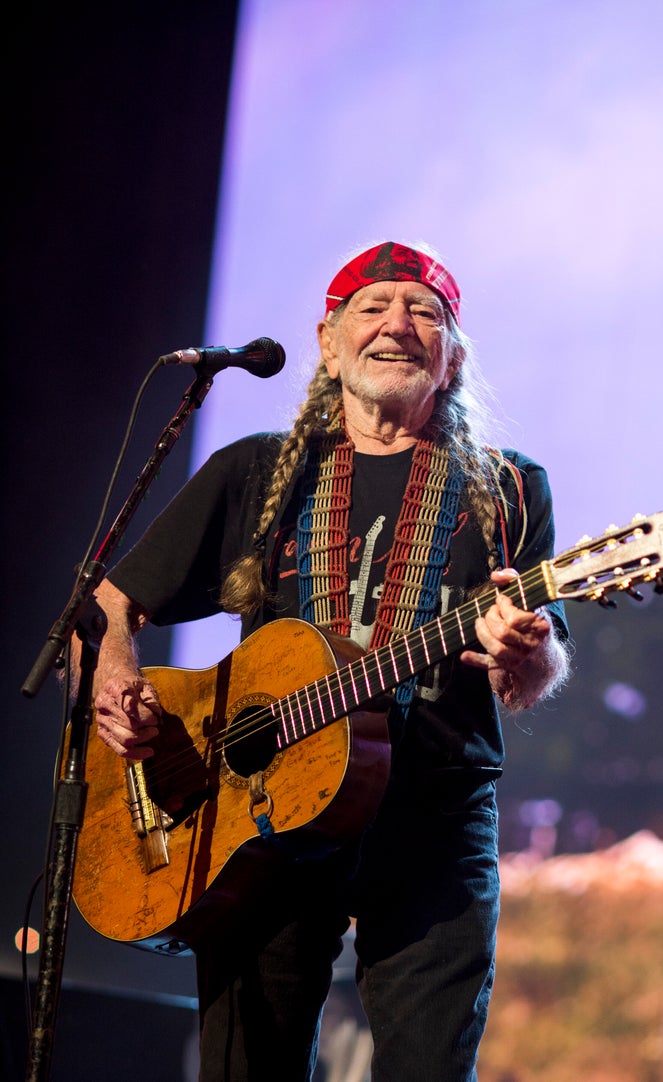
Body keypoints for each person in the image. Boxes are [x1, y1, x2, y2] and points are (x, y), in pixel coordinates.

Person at [85, 241, 570, 1082]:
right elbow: (115, 598)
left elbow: (530, 679)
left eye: (425, 312)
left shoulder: (511, 487)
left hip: (432, 818)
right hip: (259, 818)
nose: (398, 326)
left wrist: (521, 656)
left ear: (452, 355)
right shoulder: (258, 470)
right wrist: (117, 669)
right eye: (373, 307)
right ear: (328, 337)